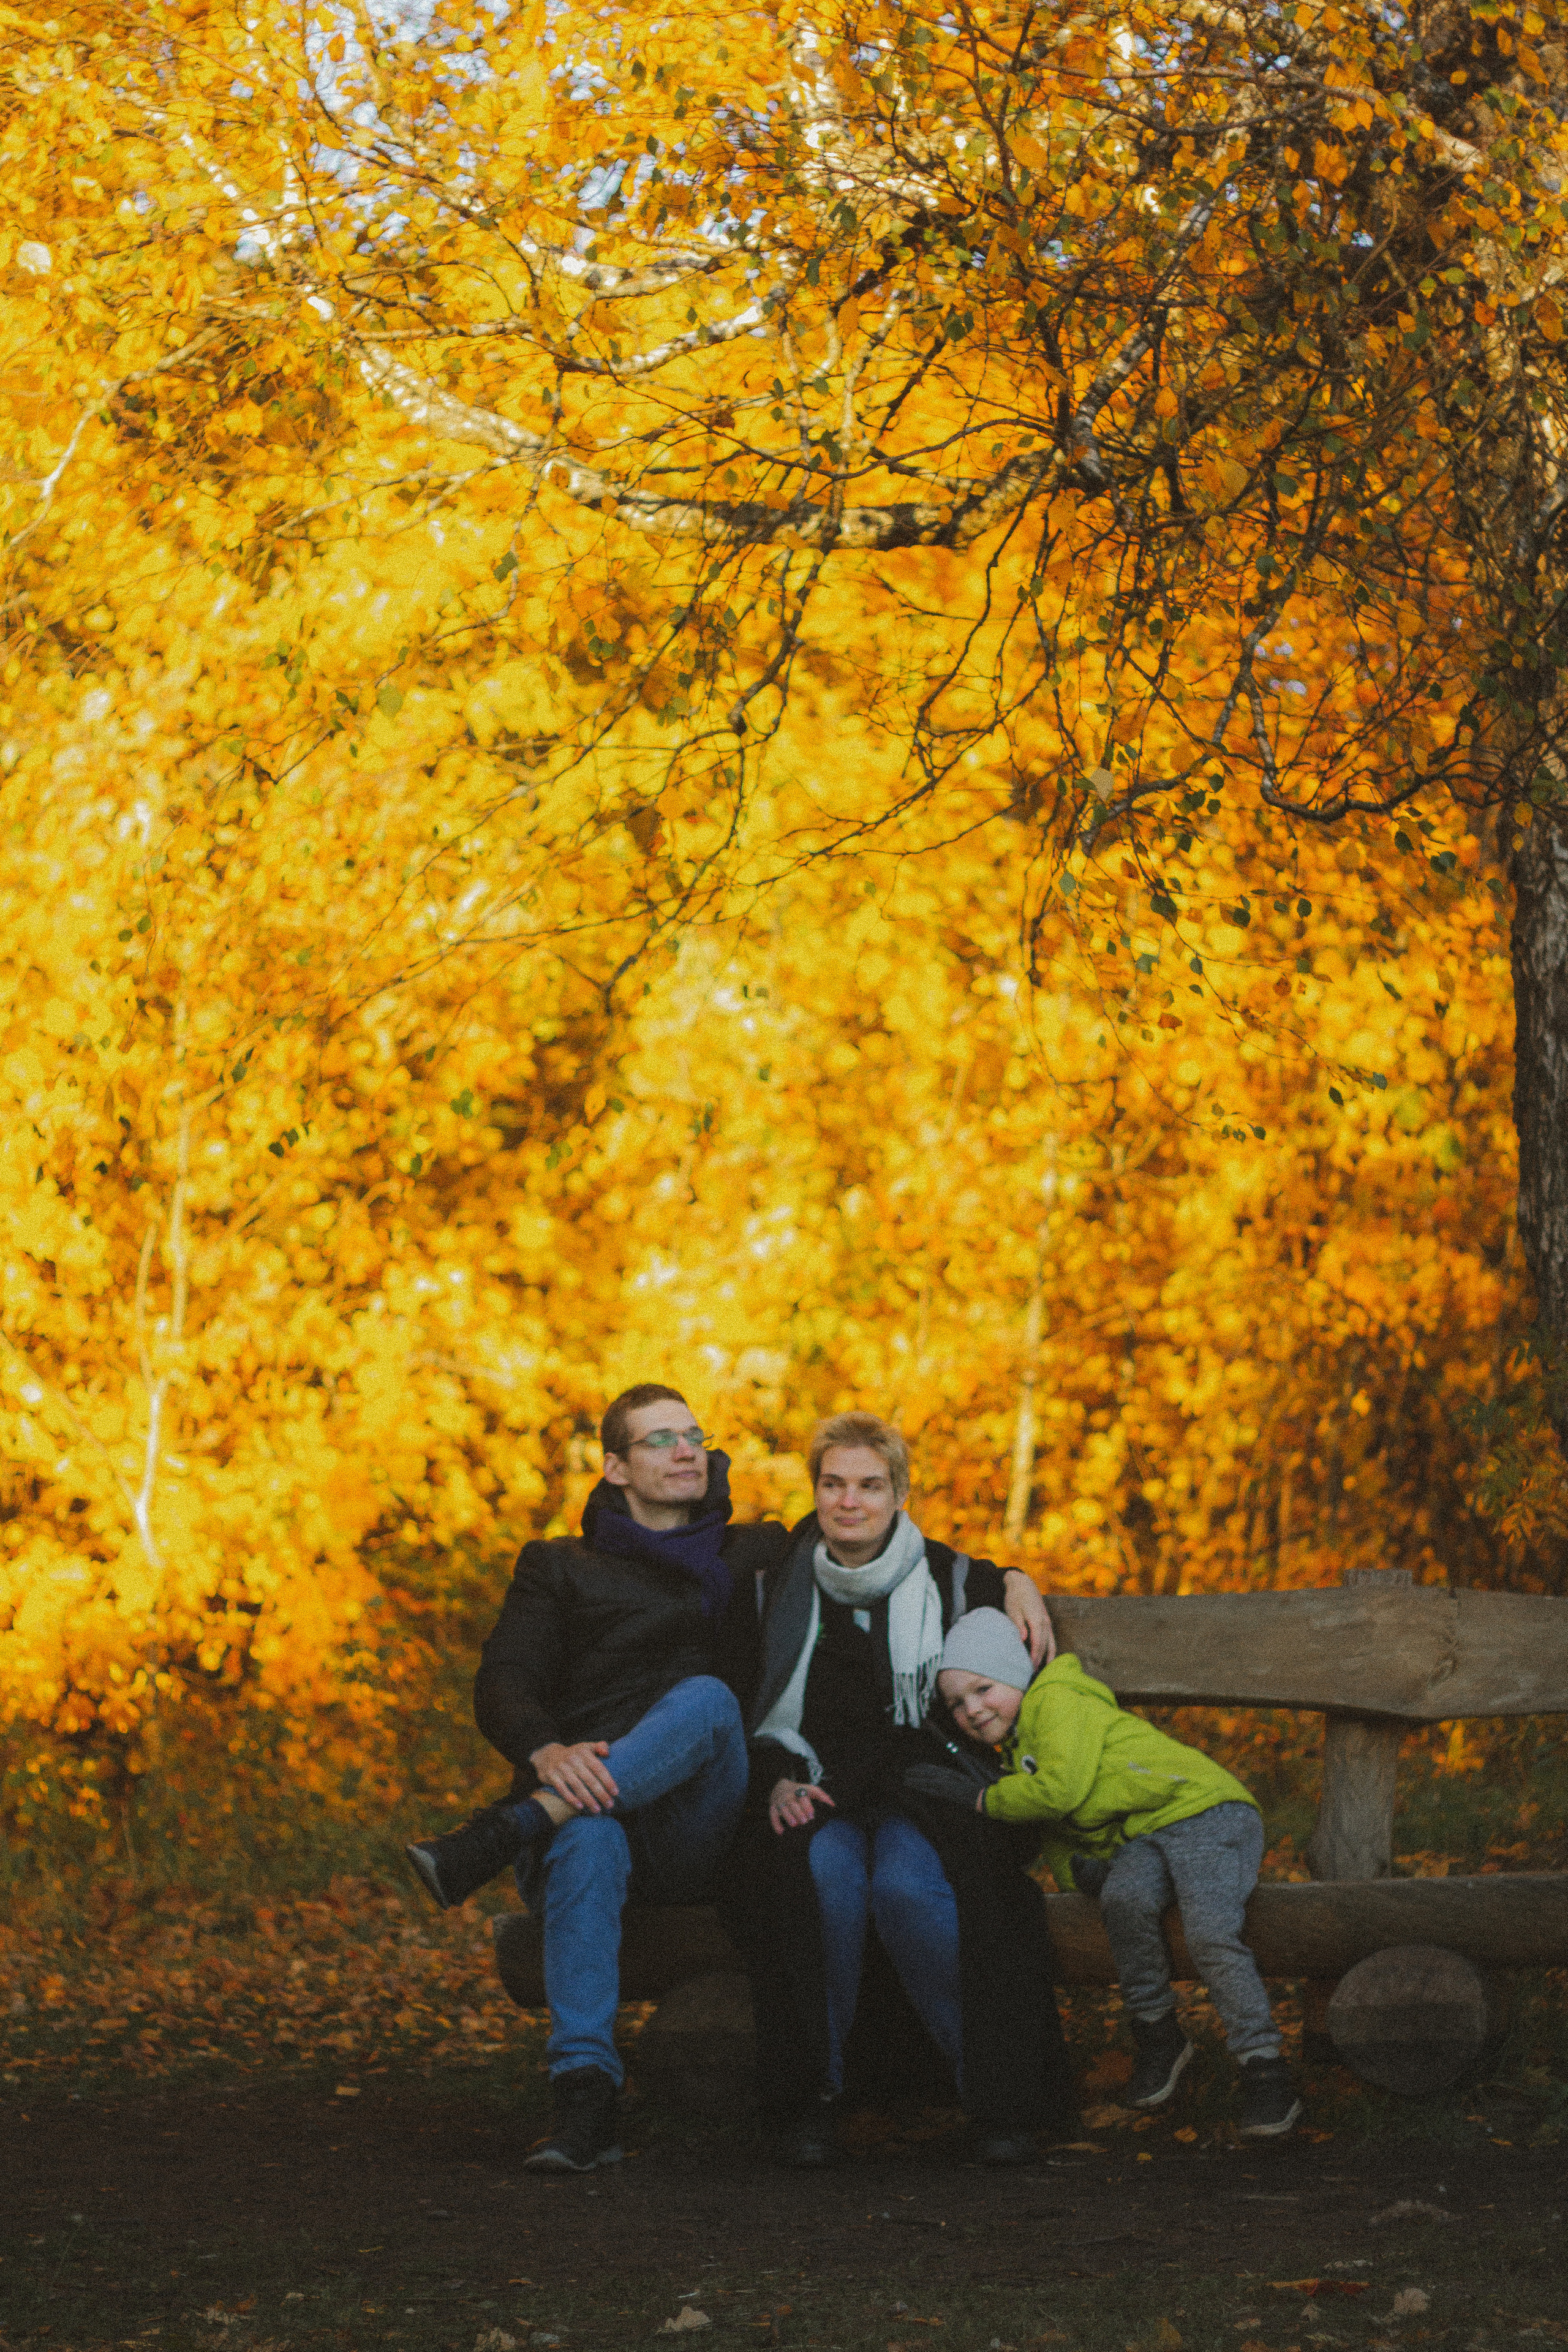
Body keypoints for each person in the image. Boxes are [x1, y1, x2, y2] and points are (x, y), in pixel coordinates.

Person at [405, 1382, 791, 2173]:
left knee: (710, 1701)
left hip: (695, 1828)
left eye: (693, 1436)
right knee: (588, 1835)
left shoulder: (752, 1551)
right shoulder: (559, 1567)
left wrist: (1008, 1580)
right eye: (660, 1440)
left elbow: (880, 1532)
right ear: (614, 1466)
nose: (686, 1451)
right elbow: (504, 1680)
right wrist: (546, 1752)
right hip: (584, 1815)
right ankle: (585, 2097)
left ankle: (508, 1829)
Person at [729, 1411, 1077, 2168]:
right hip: (816, 1794)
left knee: (909, 1891)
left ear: (899, 1494)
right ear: (814, 1493)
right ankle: (816, 2101)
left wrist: (1017, 1576)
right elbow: (743, 1704)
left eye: (869, 1485)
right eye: (832, 1484)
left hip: (924, 1794)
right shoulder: (773, 1584)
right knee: (823, 1883)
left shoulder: (955, 1580)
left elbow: (976, 1694)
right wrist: (775, 1781)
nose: (848, 1502)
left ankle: (992, 2098)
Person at [933, 1607, 1303, 2139]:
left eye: (983, 1688)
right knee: (1124, 1902)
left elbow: (1057, 1793)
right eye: (957, 1704)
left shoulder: (1056, 1703)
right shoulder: (1018, 1752)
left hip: (1204, 1812)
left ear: (1014, 1674)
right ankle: (1159, 2035)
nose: (972, 1709)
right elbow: (1056, 1826)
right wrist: (1077, 1877)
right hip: (1149, 1834)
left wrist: (982, 1799)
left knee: (1209, 1933)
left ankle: (1265, 2067)